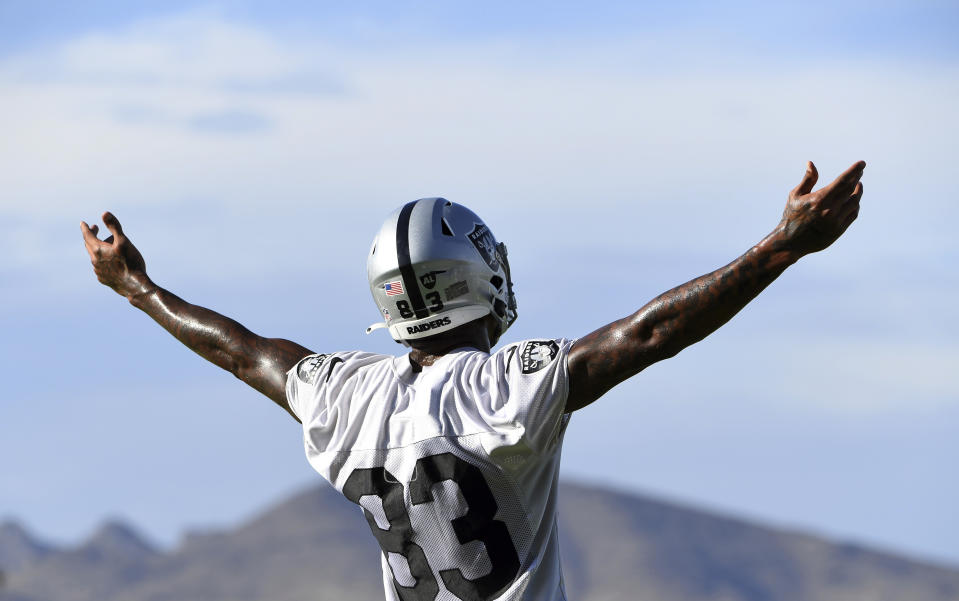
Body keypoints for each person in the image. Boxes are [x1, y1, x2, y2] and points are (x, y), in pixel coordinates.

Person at [81, 160, 865, 601]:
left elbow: (240, 350)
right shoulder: (504, 392)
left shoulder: (346, 395)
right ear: (475, 278)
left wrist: (136, 288)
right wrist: (779, 247)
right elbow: (652, 331)